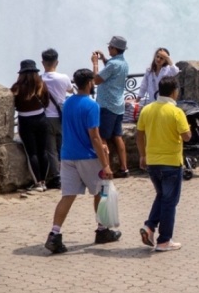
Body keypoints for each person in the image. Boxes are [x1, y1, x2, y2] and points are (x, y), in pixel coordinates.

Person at [44, 69, 119, 254]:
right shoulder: (91, 106)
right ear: (90, 83)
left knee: (67, 196)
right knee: (100, 192)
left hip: (67, 155)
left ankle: (54, 234)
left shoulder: (68, 103)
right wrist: (106, 164)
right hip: (87, 156)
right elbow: (94, 136)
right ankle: (102, 230)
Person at [137, 76, 192, 252]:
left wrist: (142, 155)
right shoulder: (176, 112)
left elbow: (139, 134)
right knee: (170, 202)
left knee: (161, 196)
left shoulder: (147, 110)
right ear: (175, 91)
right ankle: (164, 240)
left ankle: (149, 226)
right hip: (171, 163)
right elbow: (187, 136)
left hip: (152, 162)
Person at [92, 36, 130, 177]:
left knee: (102, 138)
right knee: (117, 136)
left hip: (106, 106)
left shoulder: (113, 65)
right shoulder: (123, 63)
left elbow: (96, 80)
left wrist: (95, 64)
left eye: (110, 48)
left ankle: (106, 169)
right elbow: (112, 70)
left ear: (114, 49)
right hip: (118, 105)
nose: (108, 49)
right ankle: (124, 168)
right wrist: (103, 59)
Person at [12, 60, 51, 192]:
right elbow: (46, 102)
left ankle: (38, 183)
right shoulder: (41, 85)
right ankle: (44, 181)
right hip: (41, 118)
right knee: (43, 151)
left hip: (25, 120)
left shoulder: (17, 87)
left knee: (32, 153)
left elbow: (13, 104)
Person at [41, 48, 73, 188]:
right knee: (63, 146)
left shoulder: (39, 79)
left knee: (51, 150)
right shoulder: (64, 78)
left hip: (46, 117)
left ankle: (56, 177)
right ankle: (68, 174)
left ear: (43, 63)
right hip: (62, 117)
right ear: (57, 62)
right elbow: (71, 90)